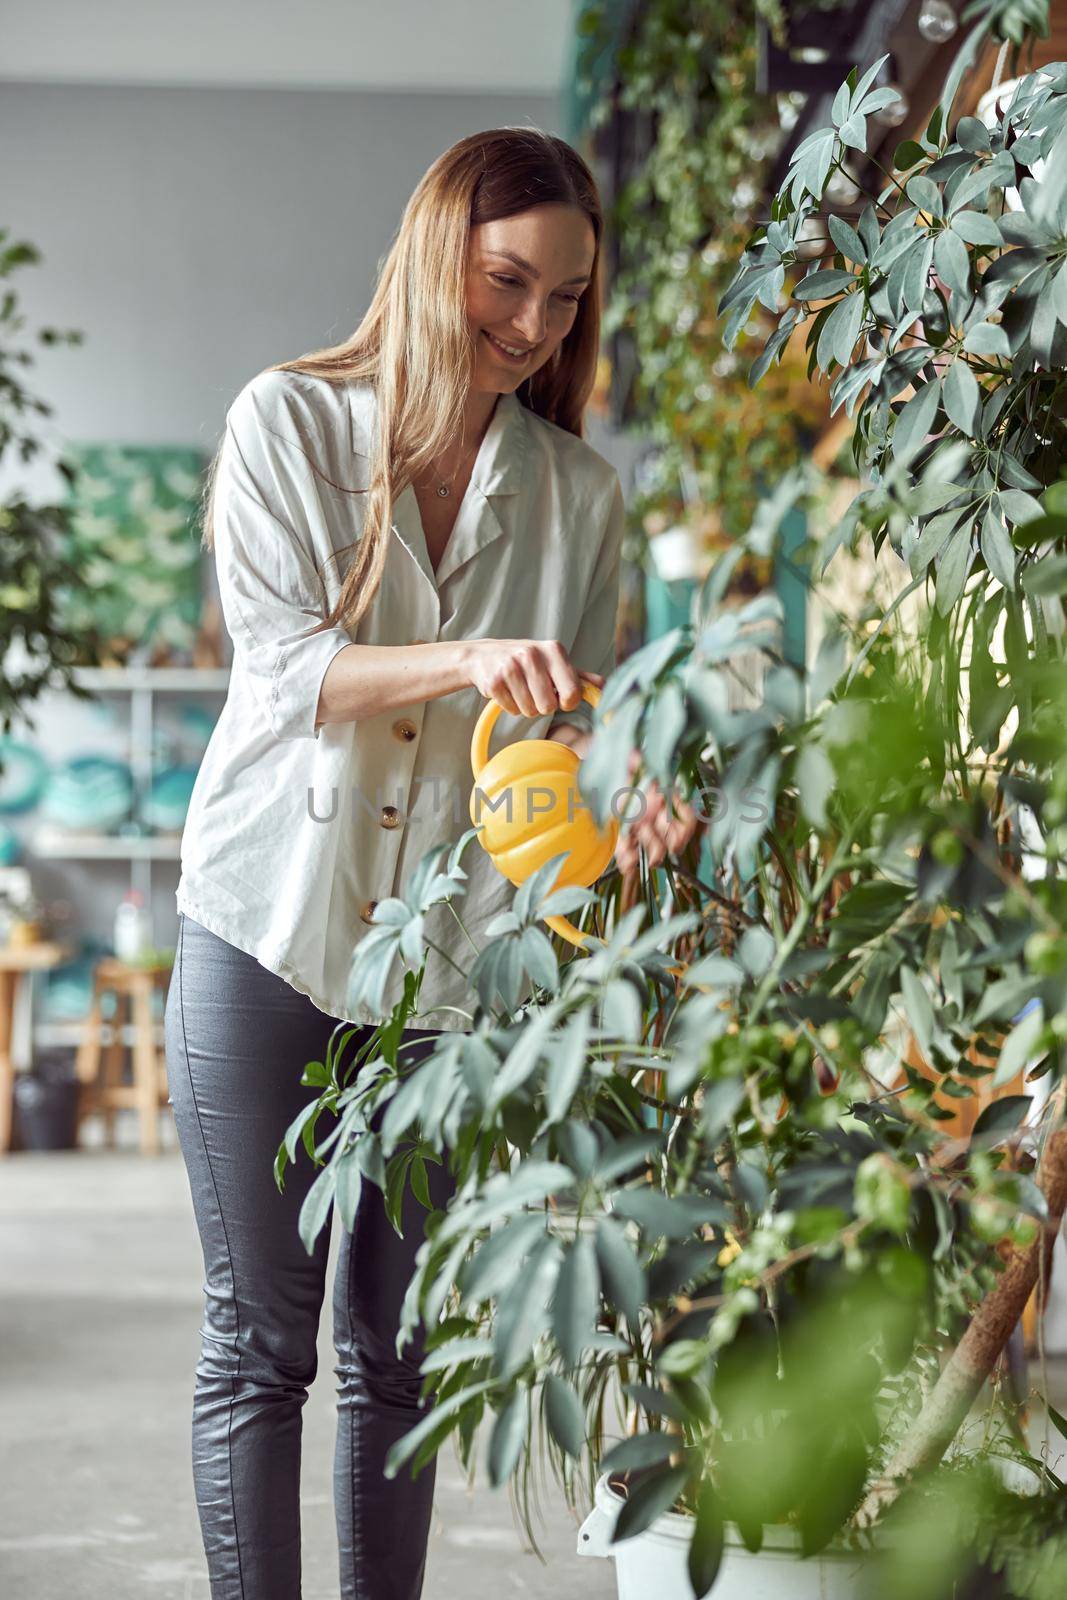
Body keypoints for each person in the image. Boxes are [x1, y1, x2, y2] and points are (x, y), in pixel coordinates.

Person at [164, 125, 700, 1600]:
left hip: (450, 979)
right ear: (434, 257)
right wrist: (468, 654)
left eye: (567, 300)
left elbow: (571, 741)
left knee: (396, 1360)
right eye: (507, 283)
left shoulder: (579, 501)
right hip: (265, 927)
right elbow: (278, 678)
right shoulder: (289, 423)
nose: (534, 328)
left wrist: (629, 800)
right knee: (258, 1345)